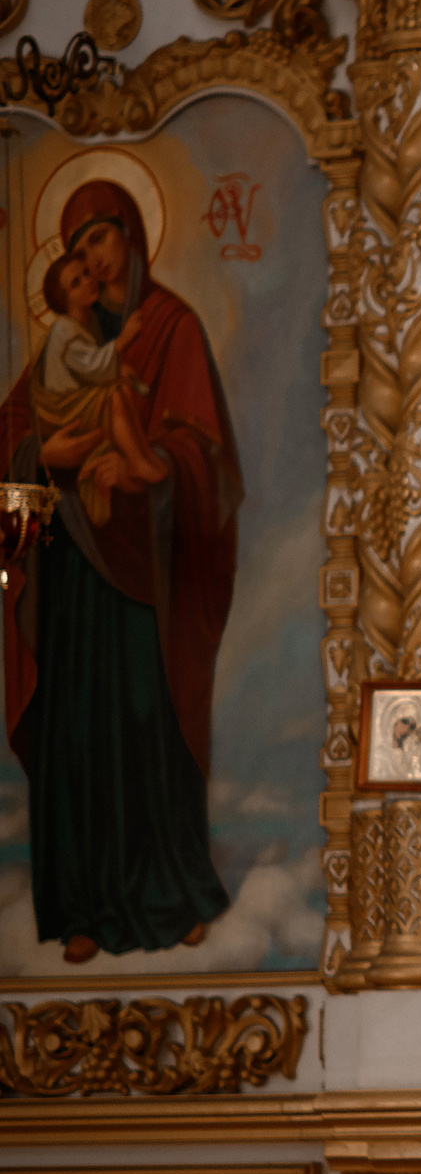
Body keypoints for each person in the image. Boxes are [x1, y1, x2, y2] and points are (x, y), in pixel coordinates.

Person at [2, 178, 241, 963]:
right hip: (71, 572)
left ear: (133, 236)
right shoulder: (63, 344)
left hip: (148, 576)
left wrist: (147, 466)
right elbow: (15, 440)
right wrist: (50, 454)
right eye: (75, 254)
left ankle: (170, 893)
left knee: (147, 720)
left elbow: (208, 456)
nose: (92, 263)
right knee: (75, 728)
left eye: (99, 241)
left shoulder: (169, 329)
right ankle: (78, 905)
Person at [31, 253, 166, 526]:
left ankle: (139, 457)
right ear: (64, 299)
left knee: (124, 393)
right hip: (63, 408)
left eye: (86, 273)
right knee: (114, 396)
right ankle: (139, 461)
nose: (88, 282)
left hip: (77, 399)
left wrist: (119, 370)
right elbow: (93, 365)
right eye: (75, 283)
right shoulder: (63, 330)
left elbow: (92, 369)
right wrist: (123, 340)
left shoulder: (87, 321)